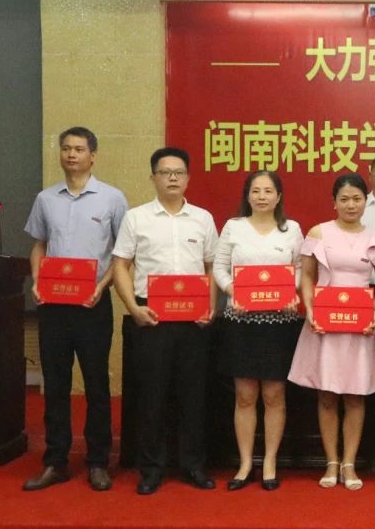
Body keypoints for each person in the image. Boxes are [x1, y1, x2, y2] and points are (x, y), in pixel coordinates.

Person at [22, 127, 128, 492]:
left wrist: (102, 287)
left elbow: (121, 255)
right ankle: (56, 461)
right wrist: (37, 280)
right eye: (66, 148)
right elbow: (39, 244)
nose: (71, 155)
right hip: (53, 305)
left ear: (92, 155)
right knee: (55, 385)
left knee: (97, 384)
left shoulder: (112, 198)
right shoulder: (45, 199)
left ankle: (98, 462)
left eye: (79, 149)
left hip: (92, 304)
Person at [111, 147, 219, 495]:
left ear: (188, 178)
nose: (172, 178)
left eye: (178, 172)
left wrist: (210, 307)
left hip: (193, 320)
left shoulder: (202, 218)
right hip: (151, 317)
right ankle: (151, 468)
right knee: (151, 396)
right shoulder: (136, 218)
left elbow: (211, 266)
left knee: (193, 395)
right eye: (165, 172)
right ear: (153, 177)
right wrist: (133, 307)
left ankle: (193, 465)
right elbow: (120, 266)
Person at [287, 173, 375, 492]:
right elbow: (307, 276)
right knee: (327, 394)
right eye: (344, 199)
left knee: (355, 395)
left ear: (365, 202)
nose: (350, 205)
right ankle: (331, 462)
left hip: (360, 325)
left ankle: (349, 463)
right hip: (324, 323)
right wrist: (310, 308)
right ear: (334, 202)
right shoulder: (319, 232)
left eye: (357, 199)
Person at [212, 171, 303, 491]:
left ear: (279, 196)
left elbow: (300, 268)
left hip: (278, 323)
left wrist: (291, 293)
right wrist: (232, 291)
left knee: (274, 395)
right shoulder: (233, 227)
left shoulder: (292, 229)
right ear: (247, 196)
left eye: (268, 191)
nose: (262, 196)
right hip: (241, 322)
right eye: (256, 191)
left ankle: (270, 462)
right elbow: (219, 268)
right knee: (245, 395)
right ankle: (245, 463)